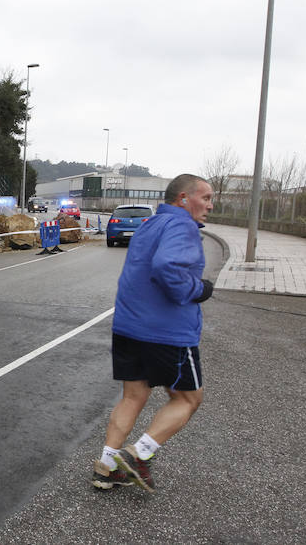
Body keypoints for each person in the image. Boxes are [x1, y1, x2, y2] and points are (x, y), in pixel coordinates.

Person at [91, 173, 214, 492]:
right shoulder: (182, 226)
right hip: (166, 333)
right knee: (189, 398)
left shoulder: (149, 225)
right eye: (206, 198)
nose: (210, 206)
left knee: (133, 396)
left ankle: (106, 466)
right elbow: (166, 268)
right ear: (184, 199)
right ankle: (139, 454)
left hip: (129, 328)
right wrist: (198, 289)